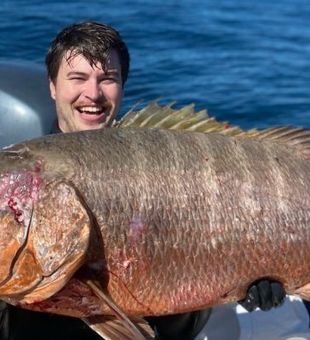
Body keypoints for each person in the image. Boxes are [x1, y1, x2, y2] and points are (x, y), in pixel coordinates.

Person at [0, 21, 299, 340]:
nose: (93, 93)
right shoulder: (27, 169)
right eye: (78, 78)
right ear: (52, 87)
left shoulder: (178, 160)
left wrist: (251, 278)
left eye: (108, 79)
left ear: (122, 86)